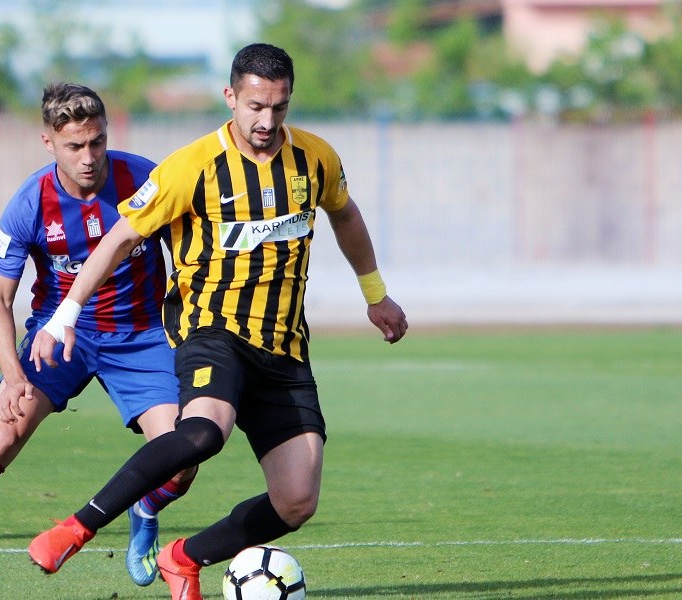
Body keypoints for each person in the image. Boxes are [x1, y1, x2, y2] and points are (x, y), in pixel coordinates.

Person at [26, 44, 408, 600]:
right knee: (204, 432)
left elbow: (344, 213)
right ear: (231, 97)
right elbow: (121, 236)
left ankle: (183, 558)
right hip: (212, 330)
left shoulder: (316, 159)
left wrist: (375, 294)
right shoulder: (192, 166)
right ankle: (76, 528)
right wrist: (67, 311)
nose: (267, 120)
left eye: (278, 107)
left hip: (283, 348)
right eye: (255, 106)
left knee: (296, 501)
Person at [0, 83, 196, 600]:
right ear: (48, 142)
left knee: (182, 459)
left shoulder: (144, 179)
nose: (89, 157)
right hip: (59, 335)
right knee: (2, 434)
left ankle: (145, 508)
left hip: (141, 336)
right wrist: (12, 376)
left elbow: (190, 255)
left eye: (97, 141)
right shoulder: (29, 204)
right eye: (75, 146)